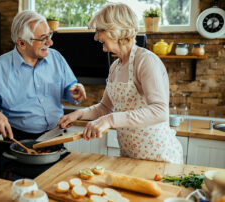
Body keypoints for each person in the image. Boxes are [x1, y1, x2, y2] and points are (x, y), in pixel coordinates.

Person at [58, 3, 183, 164]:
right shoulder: (115, 66)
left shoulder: (145, 61)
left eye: (99, 31)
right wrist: (79, 114)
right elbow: (104, 107)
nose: (96, 37)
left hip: (158, 157)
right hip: (130, 156)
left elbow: (160, 111)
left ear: (115, 30)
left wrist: (110, 120)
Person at [0, 10, 86, 140]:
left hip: (55, 136)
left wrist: (74, 93)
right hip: (19, 139)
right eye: (43, 38)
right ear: (22, 43)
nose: (50, 43)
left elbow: (69, 88)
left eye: (50, 35)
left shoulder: (56, 57)